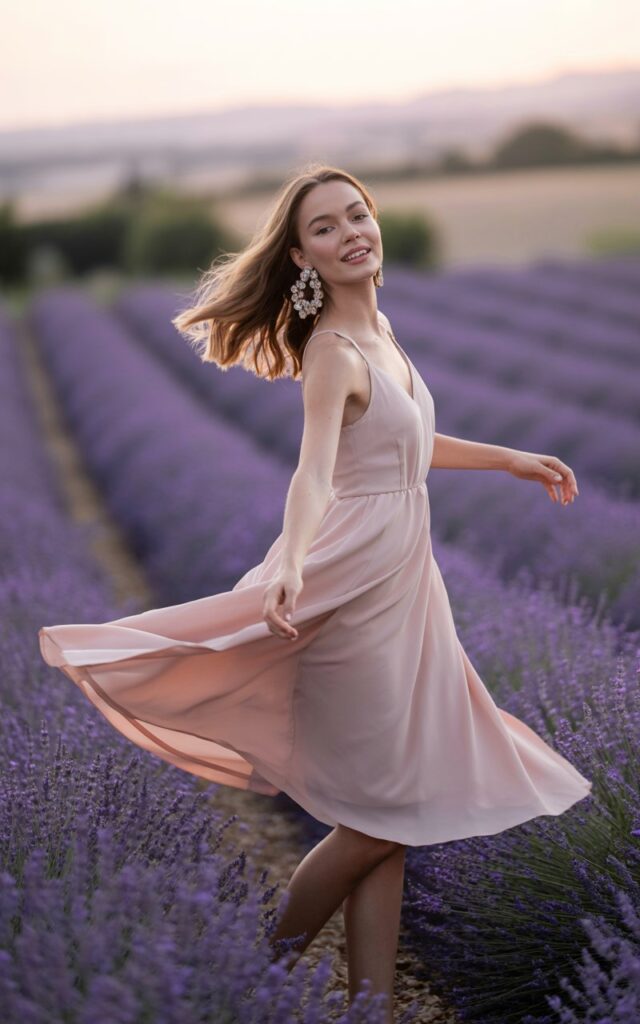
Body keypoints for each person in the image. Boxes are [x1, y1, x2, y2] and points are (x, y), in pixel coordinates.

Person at [39, 164, 592, 1023]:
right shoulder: (332, 351)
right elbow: (314, 474)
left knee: (391, 810)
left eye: (357, 214)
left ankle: (370, 1007)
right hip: (355, 591)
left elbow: (404, 444)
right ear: (301, 257)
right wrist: (291, 560)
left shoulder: (382, 334)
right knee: (381, 813)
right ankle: (258, 969)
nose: (351, 233)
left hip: (409, 587)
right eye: (326, 228)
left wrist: (509, 459)